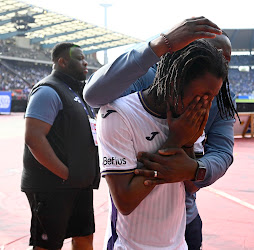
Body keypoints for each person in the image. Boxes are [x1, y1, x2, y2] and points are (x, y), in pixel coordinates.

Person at [84, 16, 237, 250]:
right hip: (134, 233)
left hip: (184, 221)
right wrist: (161, 44)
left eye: (225, 60)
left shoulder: (221, 95)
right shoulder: (149, 83)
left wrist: (195, 169)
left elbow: (222, 154)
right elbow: (94, 95)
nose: (218, 64)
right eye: (209, 53)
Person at [22, 42, 99, 250]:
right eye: (80, 58)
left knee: (84, 237)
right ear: (62, 62)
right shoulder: (48, 90)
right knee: (48, 245)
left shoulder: (78, 93)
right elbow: (34, 138)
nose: (86, 62)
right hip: (52, 186)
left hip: (78, 184)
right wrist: (65, 174)